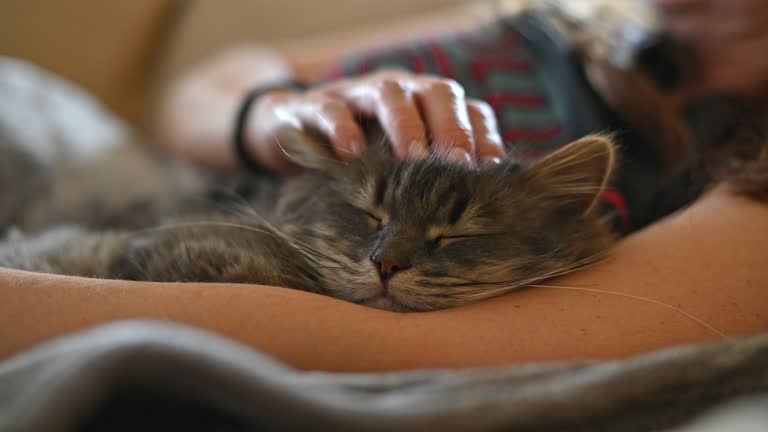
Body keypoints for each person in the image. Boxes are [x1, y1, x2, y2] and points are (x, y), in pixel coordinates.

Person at [1, 0, 768, 370]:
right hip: (176, 172)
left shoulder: (737, 174)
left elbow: (489, 347)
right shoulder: (545, 22)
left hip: (190, 257)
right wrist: (279, 120)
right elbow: (203, 89)